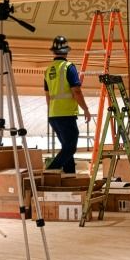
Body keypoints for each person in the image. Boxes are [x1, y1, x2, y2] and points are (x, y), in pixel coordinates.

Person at [43, 35, 90, 173]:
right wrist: (86, 109)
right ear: (66, 51)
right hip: (66, 114)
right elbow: (76, 91)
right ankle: (50, 172)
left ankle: (70, 176)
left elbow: (47, 96)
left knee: (66, 147)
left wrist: (52, 111)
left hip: (53, 115)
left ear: (54, 51)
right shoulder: (69, 67)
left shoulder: (48, 69)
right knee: (70, 148)